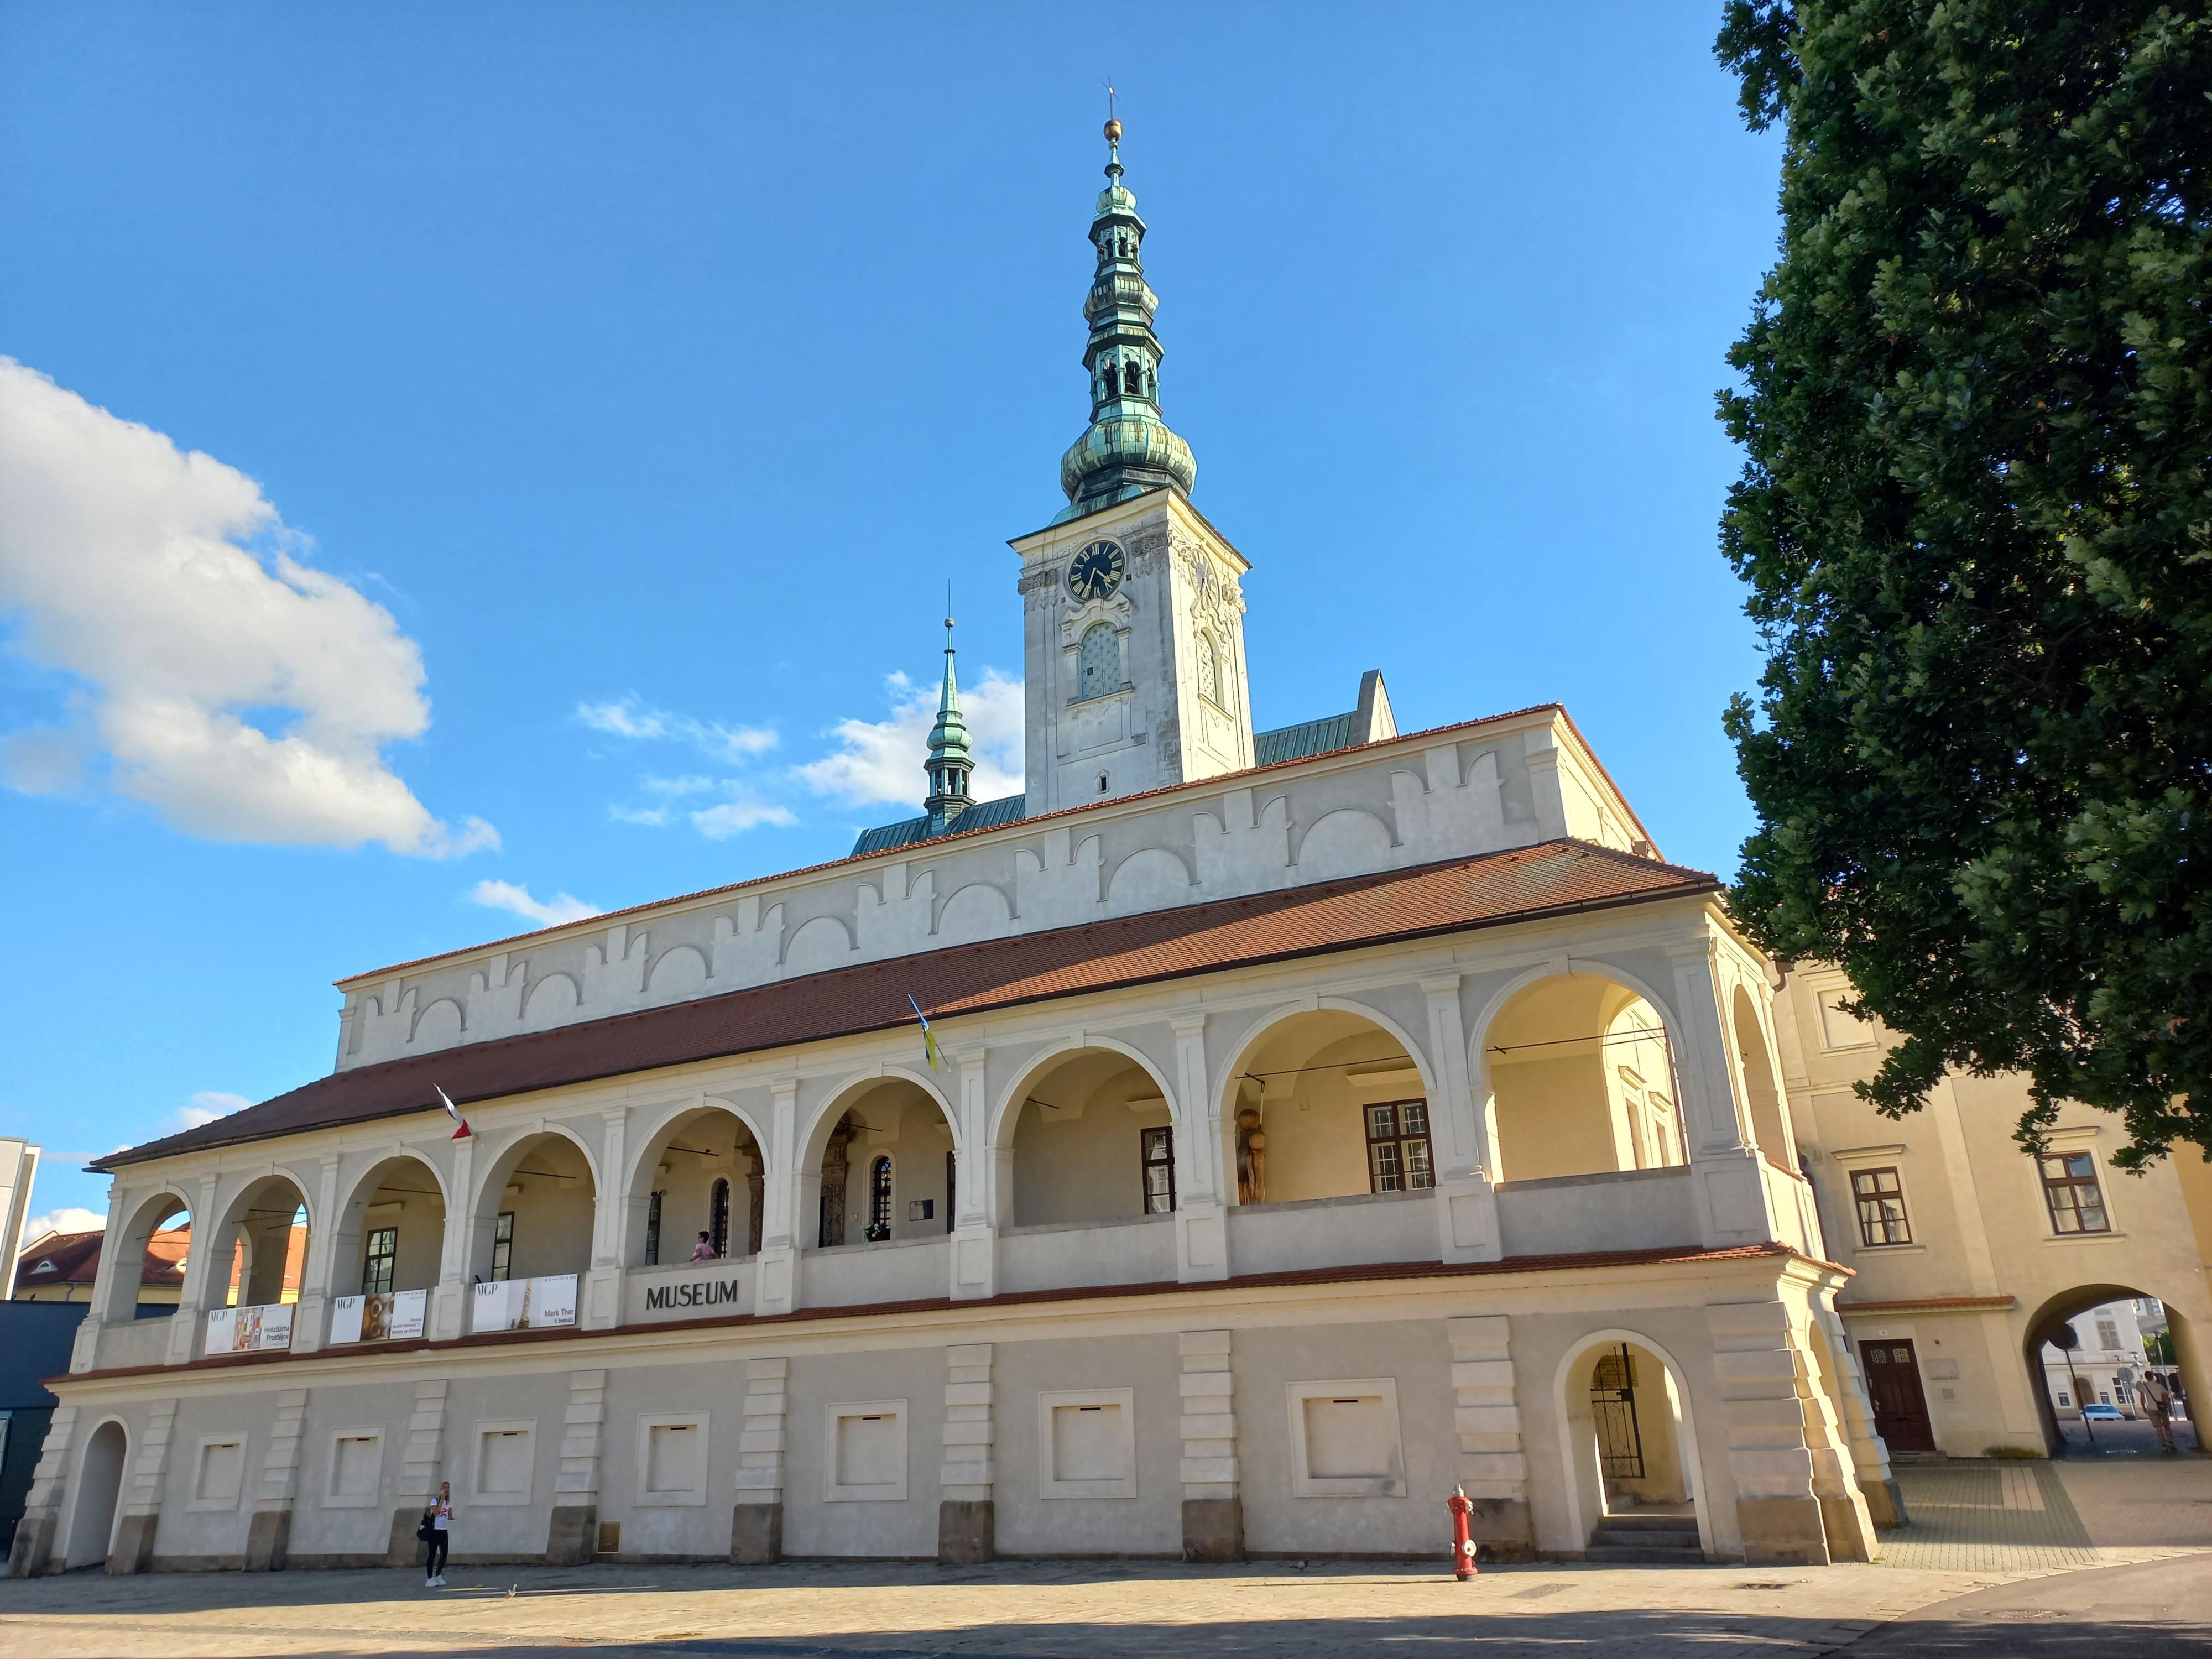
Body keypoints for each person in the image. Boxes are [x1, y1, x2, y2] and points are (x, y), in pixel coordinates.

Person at [2142, 1371, 2179, 1453]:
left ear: (2146, 1377)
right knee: (2167, 1426)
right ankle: (2171, 1443)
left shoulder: (2144, 1386)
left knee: (2159, 1428)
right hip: (2162, 1408)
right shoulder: (2159, 1386)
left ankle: (2164, 1445)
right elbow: (2166, 1398)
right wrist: (2170, 1409)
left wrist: (2144, 1407)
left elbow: (2142, 1398)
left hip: (2152, 1409)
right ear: (2152, 1376)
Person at [424, 1480, 453, 1585]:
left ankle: (438, 1575)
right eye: (445, 1487)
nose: (446, 1489)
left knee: (444, 1554)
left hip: (443, 1530)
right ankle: (430, 1578)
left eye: (448, 1487)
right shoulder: (435, 1501)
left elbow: (450, 1515)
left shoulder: (449, 1502)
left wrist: (450, 1515)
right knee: (432, 1554)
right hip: (434, 1531)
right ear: (440, 1489)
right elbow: (436, 1513)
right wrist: (441, 1501)